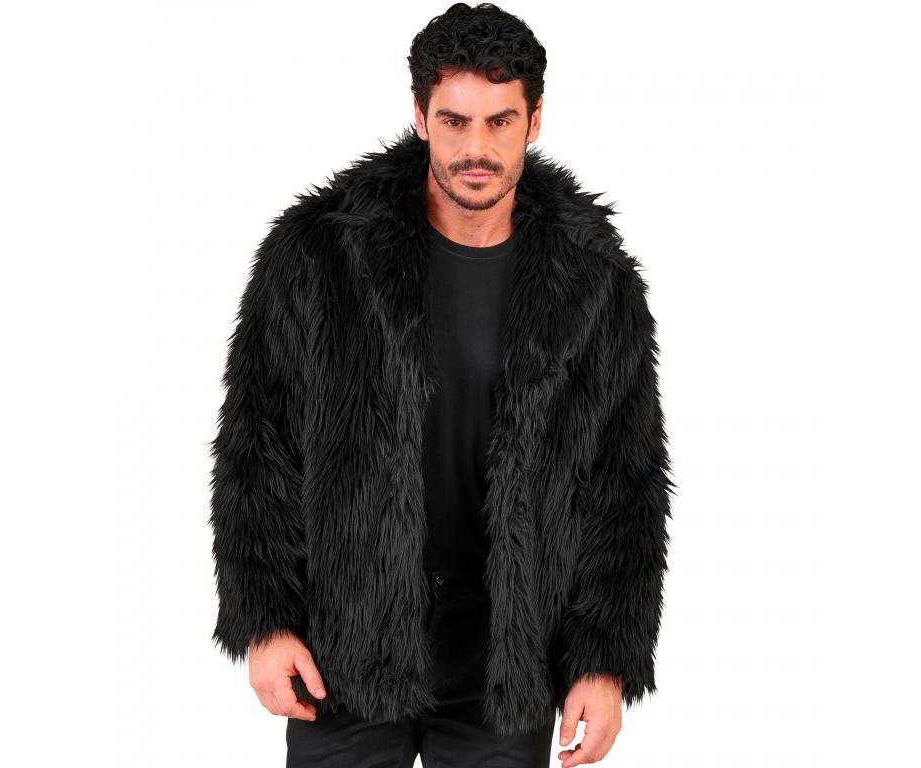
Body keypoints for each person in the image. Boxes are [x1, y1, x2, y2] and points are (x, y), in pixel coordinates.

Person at [207, 3, 676, 766]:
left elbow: (626, 482)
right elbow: (256, 446)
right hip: (347, 635)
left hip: (507, 649)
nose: (476, 148)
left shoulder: (594, 279)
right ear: (421, 116)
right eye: (454, 121)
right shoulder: (320, 254)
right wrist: (265, 620)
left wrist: (604, 659)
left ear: (534, 121)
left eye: (500, 121)